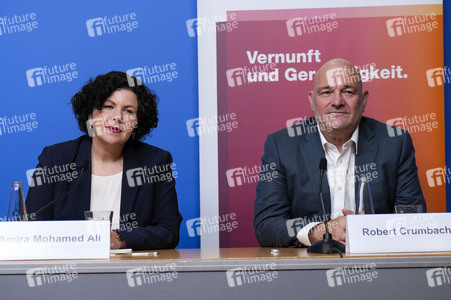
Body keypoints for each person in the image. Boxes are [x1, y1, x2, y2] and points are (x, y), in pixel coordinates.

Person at [254, 59, 426, 248]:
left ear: (364, 99)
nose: (337, 102)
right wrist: (323, 230)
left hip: (377, 263)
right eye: (326, 92)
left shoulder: (395, 143)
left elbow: (412, 219)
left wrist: (368, 229)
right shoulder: (281, 145)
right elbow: (266, 226)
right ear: (312, 100)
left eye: (348, 92)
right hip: (307, 268)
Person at [26, 71, 182, 250]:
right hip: (68, 267)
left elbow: (169, 231)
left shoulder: (155, 162)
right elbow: (33, 223)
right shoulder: (55, 159)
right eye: (109, 106)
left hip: (129, 269)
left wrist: (119, 239)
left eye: (129, 111)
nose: (117, 117)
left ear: (137, 125)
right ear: (91, 117)